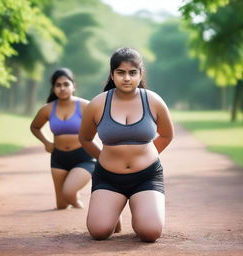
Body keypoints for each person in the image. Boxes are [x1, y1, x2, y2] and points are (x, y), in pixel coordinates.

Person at [79, 47, 174, 242]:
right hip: (108, 178)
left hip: (146, 177)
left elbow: (166, 135)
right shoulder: (97, 104)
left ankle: (141, 211)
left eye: (132, 73)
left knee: (150, 233)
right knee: (99, 232)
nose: (127, 78)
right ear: (112, 75)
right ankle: (114, 210)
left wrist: (146, 156)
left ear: (140, 74)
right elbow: (85, 139)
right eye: (120, 72)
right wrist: (104, 158)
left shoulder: (153, 101)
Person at [30, 68, 95, 210]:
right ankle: (71, 201)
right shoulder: (47, 109)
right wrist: (46, 142)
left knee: (69, 192)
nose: (62, 88)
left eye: (66, 84)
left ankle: (77, 205)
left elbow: (101, 123)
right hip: (58, 158)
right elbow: (34, 127)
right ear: (53, 88)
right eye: (58, 85)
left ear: (73, 86)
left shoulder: (86, 106)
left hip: (83, 157)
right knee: (61, 205)